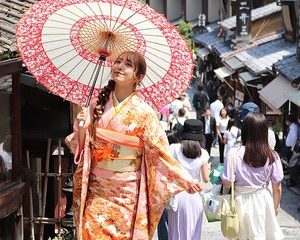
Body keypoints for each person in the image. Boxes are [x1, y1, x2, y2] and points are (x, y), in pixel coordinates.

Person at [67, 51, 202, 240]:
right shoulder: (94, 106)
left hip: (127, 193)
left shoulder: (145, 112)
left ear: (138, 77)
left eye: (128, 64)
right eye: (118, 62)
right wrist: (82, 128)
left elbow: (160, 154)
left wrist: (184, 179)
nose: (119, 67)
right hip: (97, 191)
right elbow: (81, 147)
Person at [221, 112, 284, 240]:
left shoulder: (233, 153)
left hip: (240, 201)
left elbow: (227, 183)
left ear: (244, 131)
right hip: (263, 200)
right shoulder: (272, 155)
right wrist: (275, 206)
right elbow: (277, 187)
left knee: (241, 235)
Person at [168, 119, 210, 240]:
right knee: (194, 233)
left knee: (176, 232)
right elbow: (206, 180)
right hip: (195, 196)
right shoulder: (203, 153)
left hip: (178, 195)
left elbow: (169, 171)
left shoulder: (174, 149)